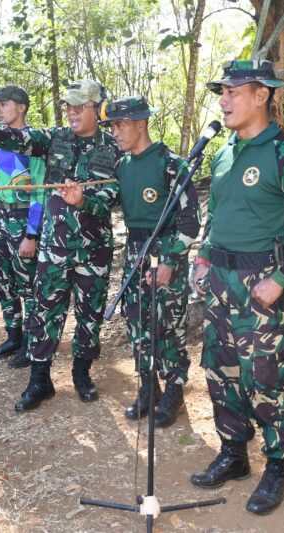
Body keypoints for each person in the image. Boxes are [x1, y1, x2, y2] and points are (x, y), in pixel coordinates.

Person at [189, 59, 284, 515]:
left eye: (235, 91)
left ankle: (278, 467)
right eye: (223, 91)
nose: (224, 99)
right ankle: (234, 453)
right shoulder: (223, 152)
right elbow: (215, 214)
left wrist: (282, 278)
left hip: (262, 285)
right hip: (219, 281)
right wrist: (201, 255)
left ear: (262, 96)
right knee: (221, 370)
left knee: (269, 378)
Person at [0, 80, 120, 412]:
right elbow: (17, 138)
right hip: (54, 249)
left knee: (89, 316)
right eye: (69, 106)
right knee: (44, 313)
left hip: (93, 250)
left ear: (98, 108)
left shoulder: (113, 148)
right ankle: (40, 381)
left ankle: (82, 375)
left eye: (80, 106)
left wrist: (87, 200)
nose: (72, 112)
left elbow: (115, 197)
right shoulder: (55, 139)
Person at [79, 96, 200, 427]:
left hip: (166, 253)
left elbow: (191, 221)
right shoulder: (122, 166)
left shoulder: (171, 163)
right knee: (137, 323)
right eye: (112, 126)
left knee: (168, 325)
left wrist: (171, 260)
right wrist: (82, 199)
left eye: (119, 125)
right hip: (135, 252)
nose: (114, 132)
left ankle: (174, 389)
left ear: (140, 123)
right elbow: (107, 201)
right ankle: (149, 389)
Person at [0, 85, 46, 367]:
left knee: (27, 285)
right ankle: (13, 335)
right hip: (0, 222)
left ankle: (31, 344)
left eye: (4, 104)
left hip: (23, 220)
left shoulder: (36, 144)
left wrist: (32, 234)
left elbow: (40, 192)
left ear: (21, 107)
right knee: (2, 282)